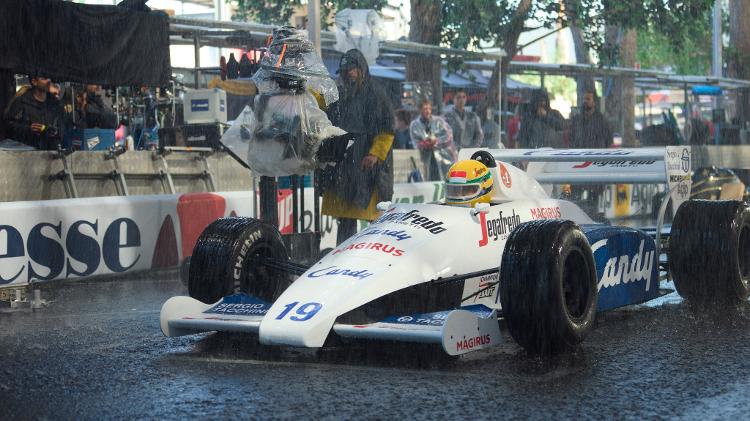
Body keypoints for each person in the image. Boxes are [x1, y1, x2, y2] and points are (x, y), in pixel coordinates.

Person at [322, 49, 395, 245]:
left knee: (375, 219)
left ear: (361, 69)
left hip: (369, 169)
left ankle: (374, 254)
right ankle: (342, 255)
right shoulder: (341, 94)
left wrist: (374, 155)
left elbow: (387, 129)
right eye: (344, 71)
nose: (348, 75)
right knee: (345, 220)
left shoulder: (376, 93)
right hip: (347, 169)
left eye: (351, 70)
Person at [3, 75, 64, 149]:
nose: (48, 80)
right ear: (34, 82)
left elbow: (62, 129)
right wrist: (28, 129)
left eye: (49, 78)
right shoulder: (22, 101)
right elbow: (8, 125)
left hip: (49, 153)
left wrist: (51, 130)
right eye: (44, 78)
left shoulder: (54, 104)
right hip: (26, 153)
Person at [409, 99, 455, 181]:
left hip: (444, 158)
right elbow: (415, 142)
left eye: (429, 108)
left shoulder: (439, 121)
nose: (427, 111)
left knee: (446, 180)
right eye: (425, 109)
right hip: (426, 159)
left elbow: (448, 136)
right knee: (430, 180)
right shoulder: (414, 125)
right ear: (419, 110)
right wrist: (424, 144)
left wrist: (436, 141)